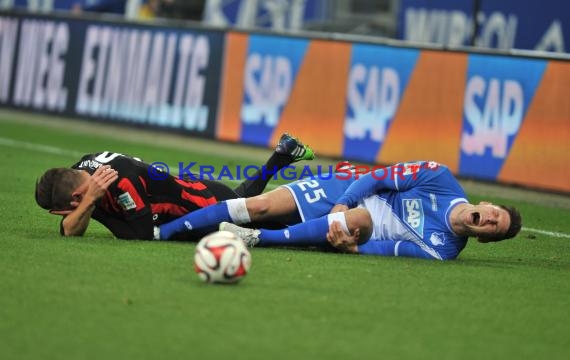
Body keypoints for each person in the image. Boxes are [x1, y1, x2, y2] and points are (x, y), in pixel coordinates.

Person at [156, 161, 522, 260]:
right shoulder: (440, 177)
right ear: (487, 204)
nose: (489, 220)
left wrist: (353, 248)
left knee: (359, 221)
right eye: (495, 215)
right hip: (348, 189)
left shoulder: (443, 250)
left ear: (485, 238)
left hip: (365, 226)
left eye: (494, 228)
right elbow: (379, 176)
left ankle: (255, 239)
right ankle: (163, 232)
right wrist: (344, 200)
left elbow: (394, 249)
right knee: (261, 204)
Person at [34, 134, 314, 240]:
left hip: (204, 204)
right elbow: (68, 230)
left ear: (76, 196)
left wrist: (91, 204)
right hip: (194, 197)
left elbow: (140, 234)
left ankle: (326, 194)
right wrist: (88, 203)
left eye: (66, 208)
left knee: (285, 225)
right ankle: (281, 156)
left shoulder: (121, 181)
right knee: (246, 198)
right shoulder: (81, 169)